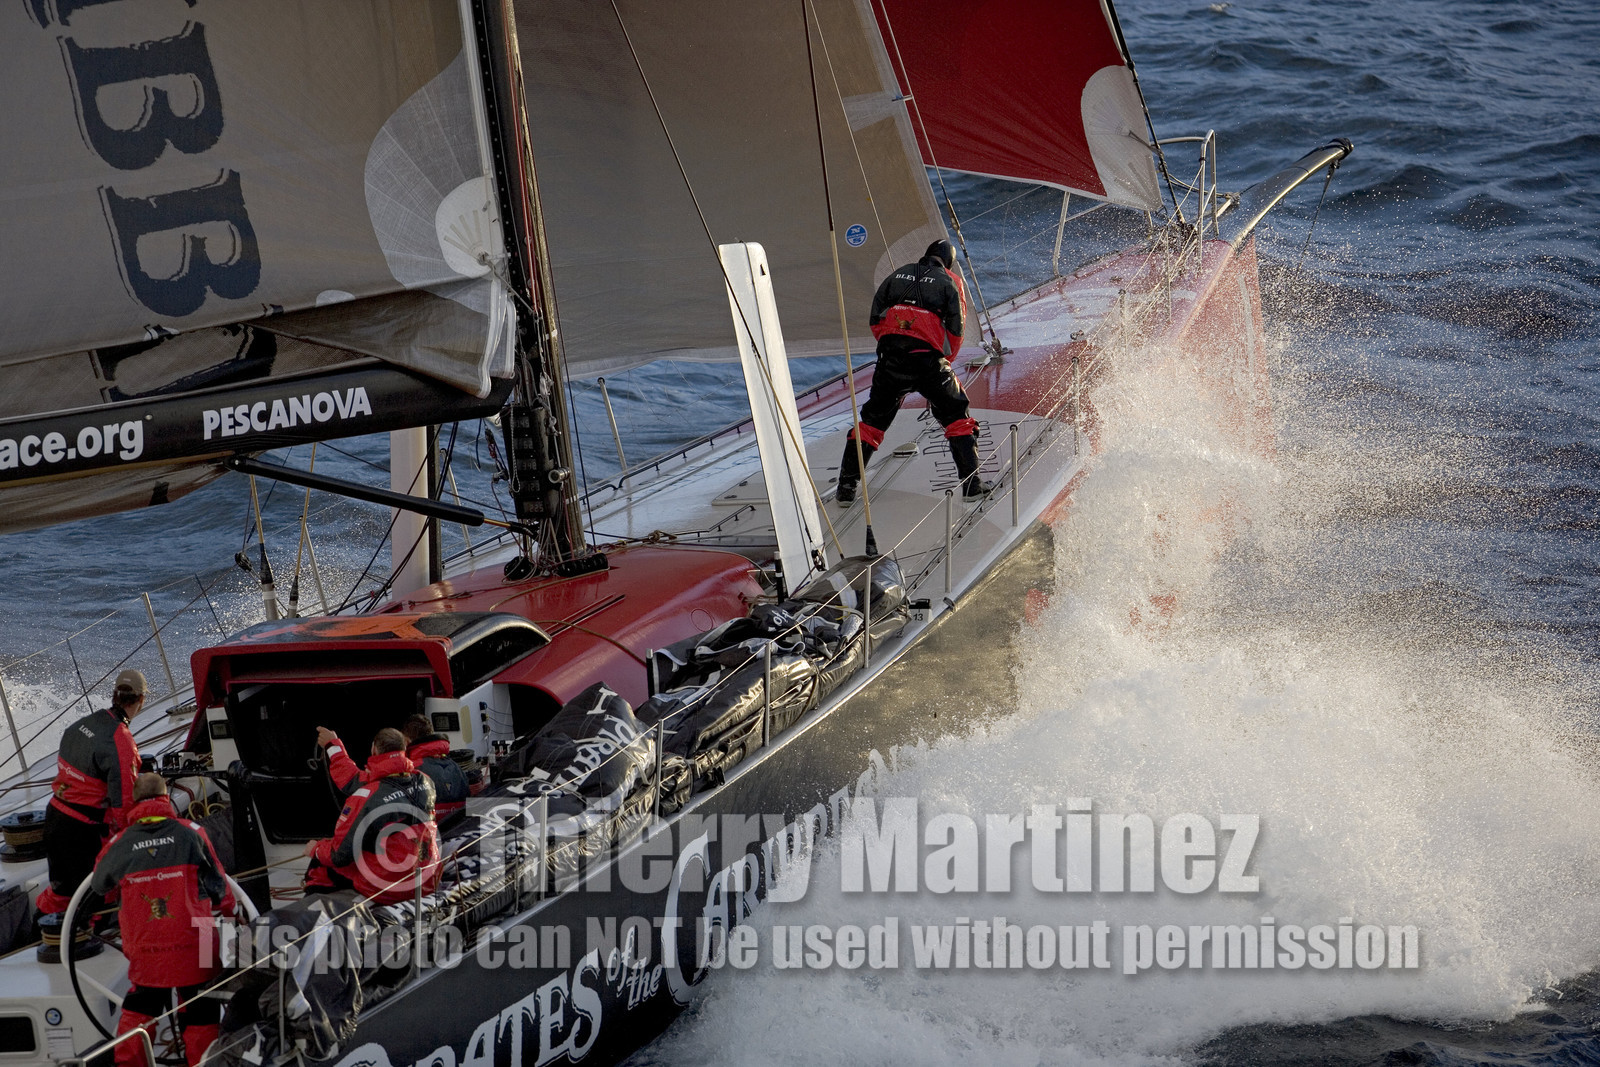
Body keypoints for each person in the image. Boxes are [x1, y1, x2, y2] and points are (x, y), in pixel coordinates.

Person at [89, 773, 235, 1067]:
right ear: (166, 798)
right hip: (198, 940)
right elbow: (219, 886)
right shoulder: (193, 832)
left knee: (142, 1005)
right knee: (201, 1007)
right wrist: (232, 914)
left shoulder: (119, 843)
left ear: (135, 801)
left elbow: (99, 885)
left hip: (147, 943)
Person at [836, 239, 994, 505]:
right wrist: (944, 361)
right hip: (928, 362)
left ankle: (845, 489)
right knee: (957, 416)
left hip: (890, 360)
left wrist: (892, 346)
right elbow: (956, 330)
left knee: (871, 423)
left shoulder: (897, 274)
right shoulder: (950, 280)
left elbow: (875, 320)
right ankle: (972, 486)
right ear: (948, 262)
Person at [36, 669, 145, 916]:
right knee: (94, 900)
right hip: (82, 832)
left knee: (60, 894)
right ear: (141, 700)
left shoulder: (80, 725)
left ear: (114, 695)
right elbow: (124, 804)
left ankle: (37, 932)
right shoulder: (121, 739)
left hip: (54, 819)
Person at [302, 726, 440, 904]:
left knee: (320, 865)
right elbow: (355, 780)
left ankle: (311, 914)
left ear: (373, 749)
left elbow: (339, 855)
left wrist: (315, 849)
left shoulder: (366, 796)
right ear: (405, 747)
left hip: (390, 886)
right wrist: (332, 746)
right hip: (427, 878)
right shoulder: (425, 781)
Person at [401, 715, 469, 825]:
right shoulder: (456, 767)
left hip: (431, 832)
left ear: (407, 741)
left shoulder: (411, 771)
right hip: (460, 829)